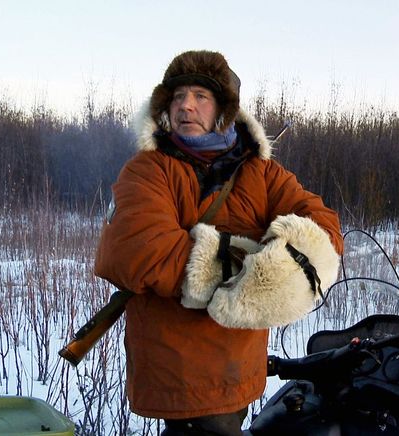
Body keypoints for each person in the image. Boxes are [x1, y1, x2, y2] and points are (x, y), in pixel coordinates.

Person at [94, 50, 343, 435]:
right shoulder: (147, 170)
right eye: (177, 97)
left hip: (237, 363)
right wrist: (253, 269)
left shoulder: (262, 173)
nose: (185, 106)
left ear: (224, 111)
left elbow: (323, 229)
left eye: (200, 96)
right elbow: (139, 250)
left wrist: (277, 272)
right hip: (173, 363)